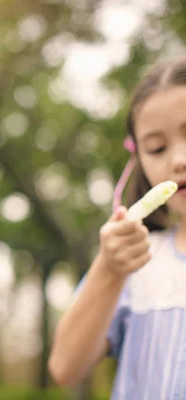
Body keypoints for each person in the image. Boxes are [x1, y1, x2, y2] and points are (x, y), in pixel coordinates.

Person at [49, 56, 186, 399]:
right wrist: (109, 270)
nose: (178, 160)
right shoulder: (136, 262)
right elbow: (65, 367)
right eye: (156, 148)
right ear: (138, 160)